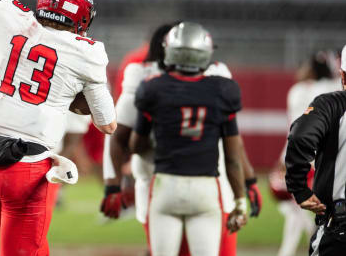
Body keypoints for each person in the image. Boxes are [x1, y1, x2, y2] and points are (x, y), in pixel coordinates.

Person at [0, 0, 116, 255]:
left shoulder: (10, 17)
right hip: (26, 168)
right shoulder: (88, 53)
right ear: (82, 16)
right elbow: (107, 122)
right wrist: (65, 94)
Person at [102, 24, 261, 256]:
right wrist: (243, 192)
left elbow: (133, 144)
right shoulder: (221, 86)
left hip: (164, 186)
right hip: (208, 187)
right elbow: (233, 149)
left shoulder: (150, 86)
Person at [0, 111, 91, 256]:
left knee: (28, 239)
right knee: (28, 241)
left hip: (15, 165)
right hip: (23, 167)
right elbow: (106, 125)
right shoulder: (73, 94)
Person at [273, 51, 340, 256]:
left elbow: (296, 129)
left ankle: (298, 248)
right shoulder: (332, 89)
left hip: (298, 154)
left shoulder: (297, 90)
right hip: (323, 158)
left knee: (302, 209)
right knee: (314, 211)